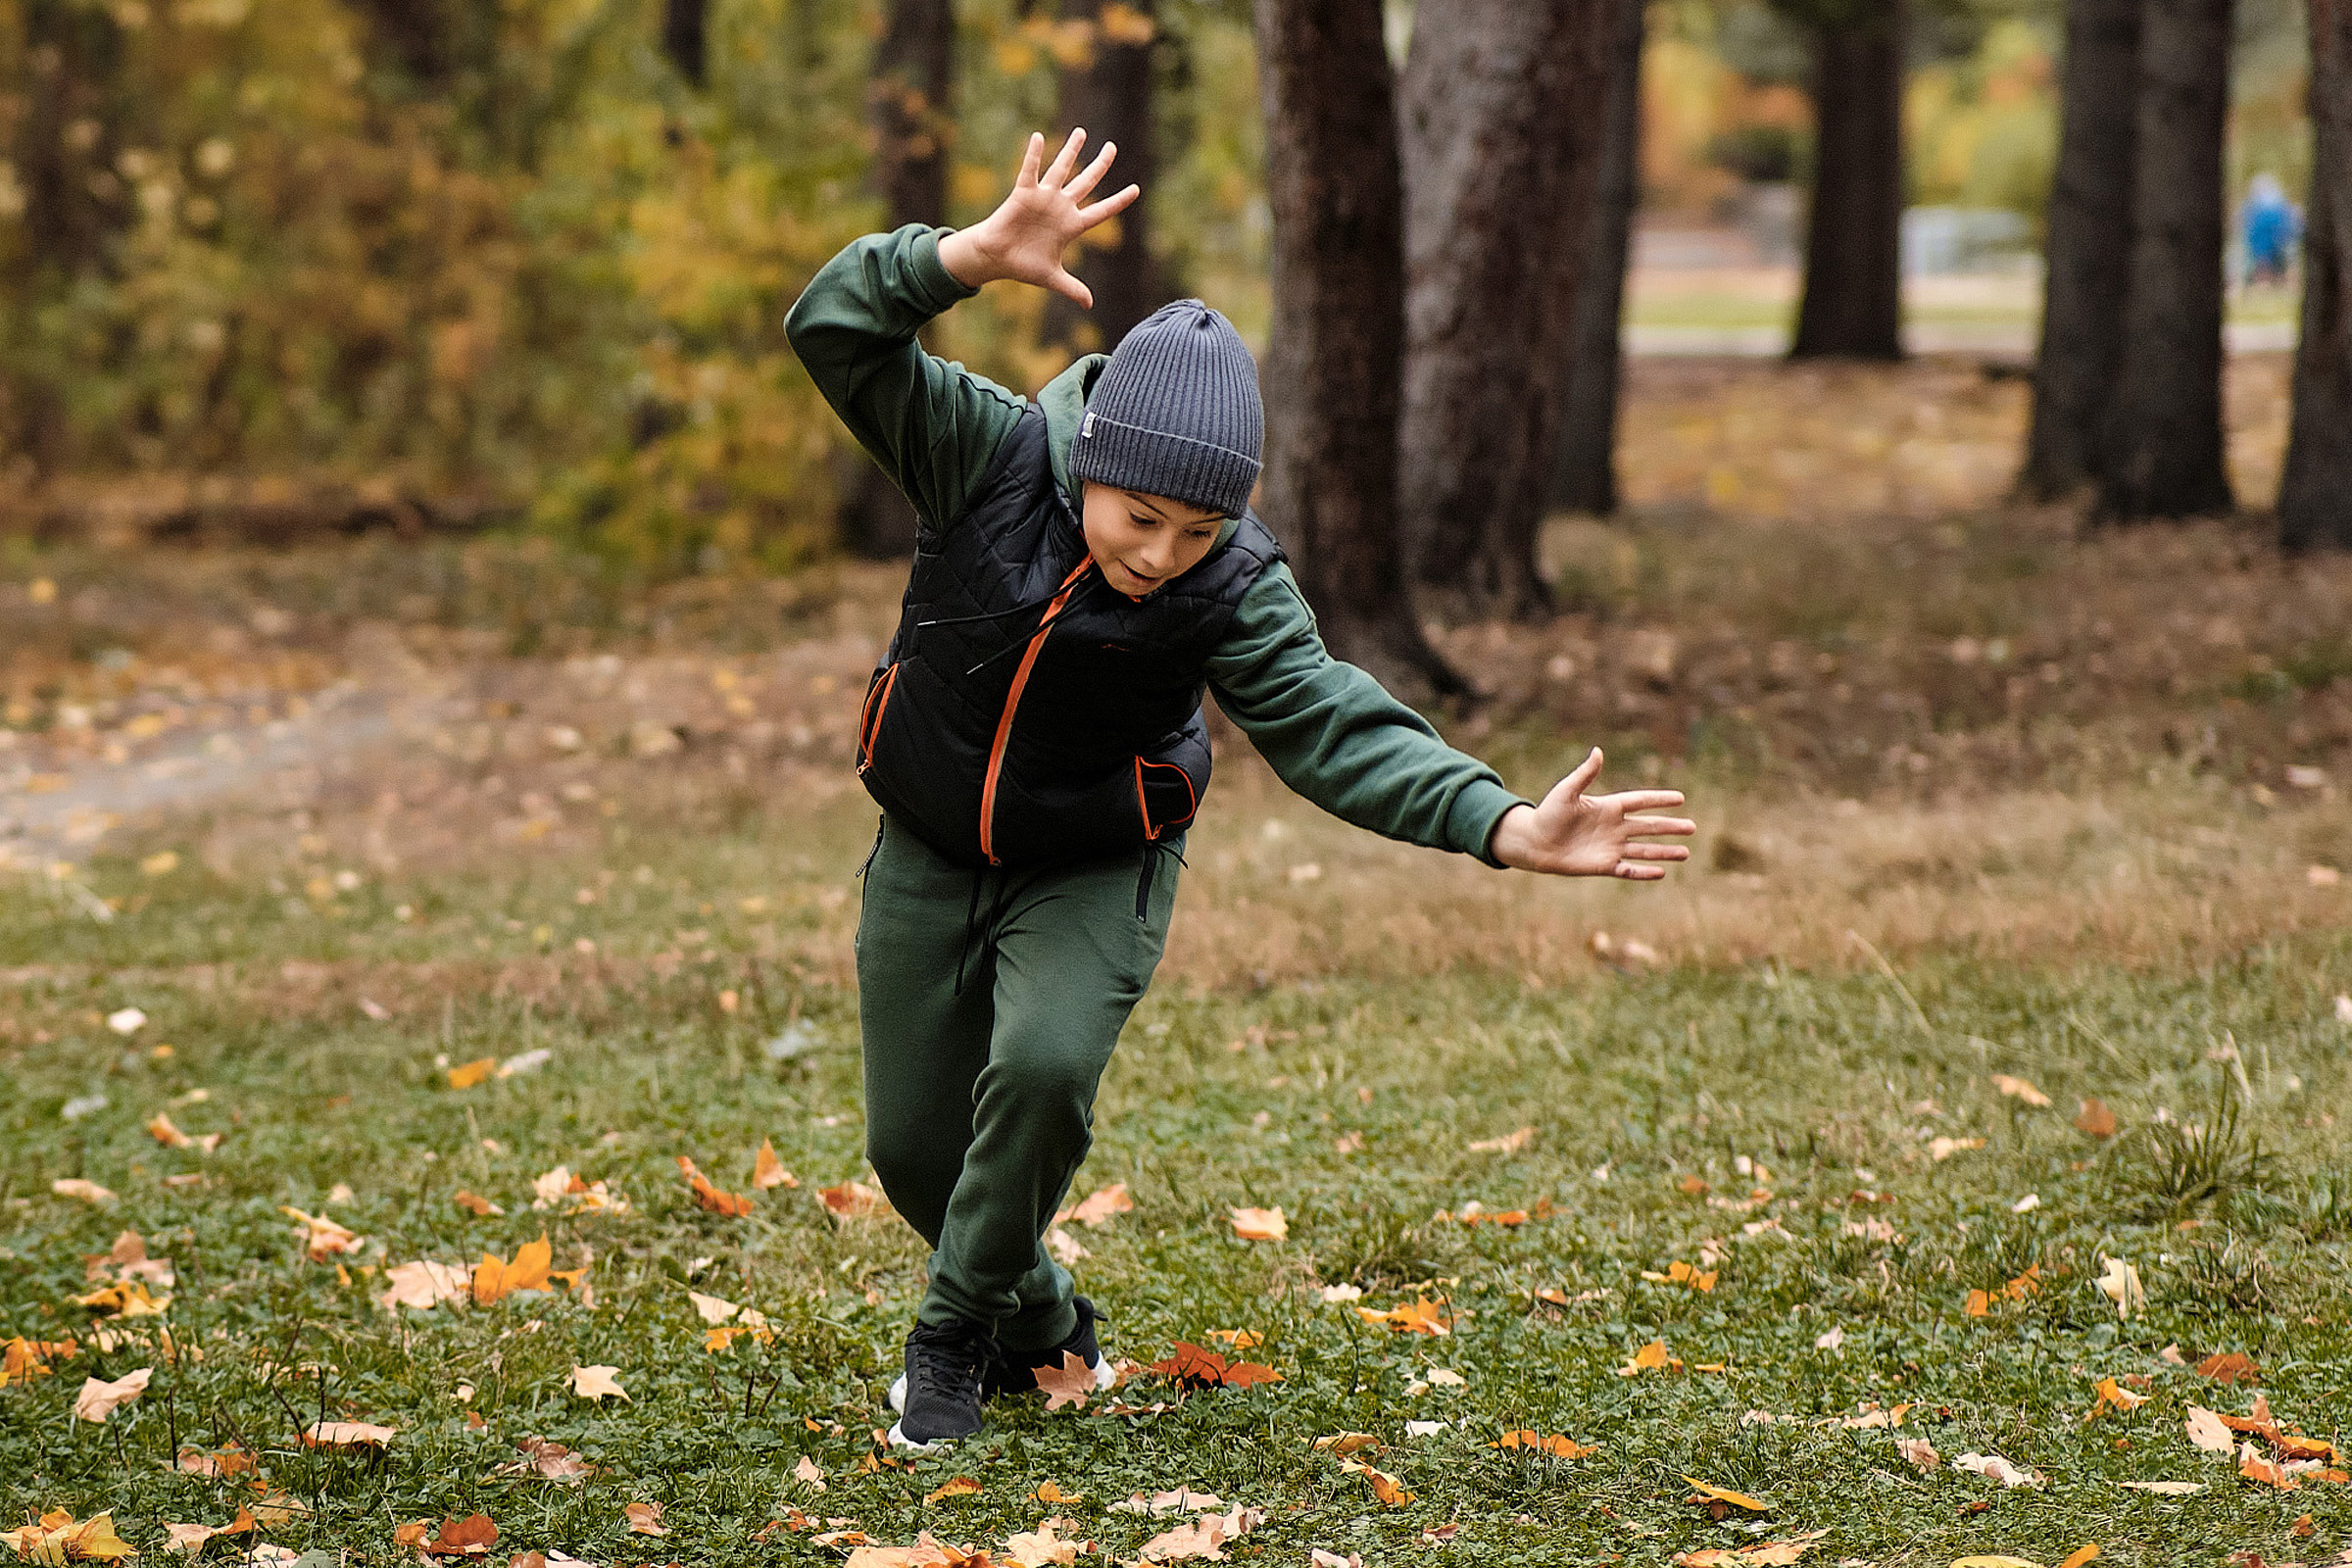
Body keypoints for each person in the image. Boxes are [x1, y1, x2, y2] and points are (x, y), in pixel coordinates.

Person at [785, 129, 1695, 1448]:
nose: (1160, 556)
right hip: (929, 839)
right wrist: (962, 259)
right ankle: (1040, 1316)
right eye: (1138, 518)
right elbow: (833, 332)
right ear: (1091, 458)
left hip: (1098, 855)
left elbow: (1333, 722)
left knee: (1038, 1072)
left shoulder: (1230, 590)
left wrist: (1499, 821)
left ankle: (949, 1344)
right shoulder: (977, 456)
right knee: (913, 1152)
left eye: (1195, 532)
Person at [2240, 172, 2301, 288]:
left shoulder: (2257, 206)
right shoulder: (2278, 204)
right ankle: (2272, 281)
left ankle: (2268, 281)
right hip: (2272, 243)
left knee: (2266, 260)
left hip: (2264, 244)